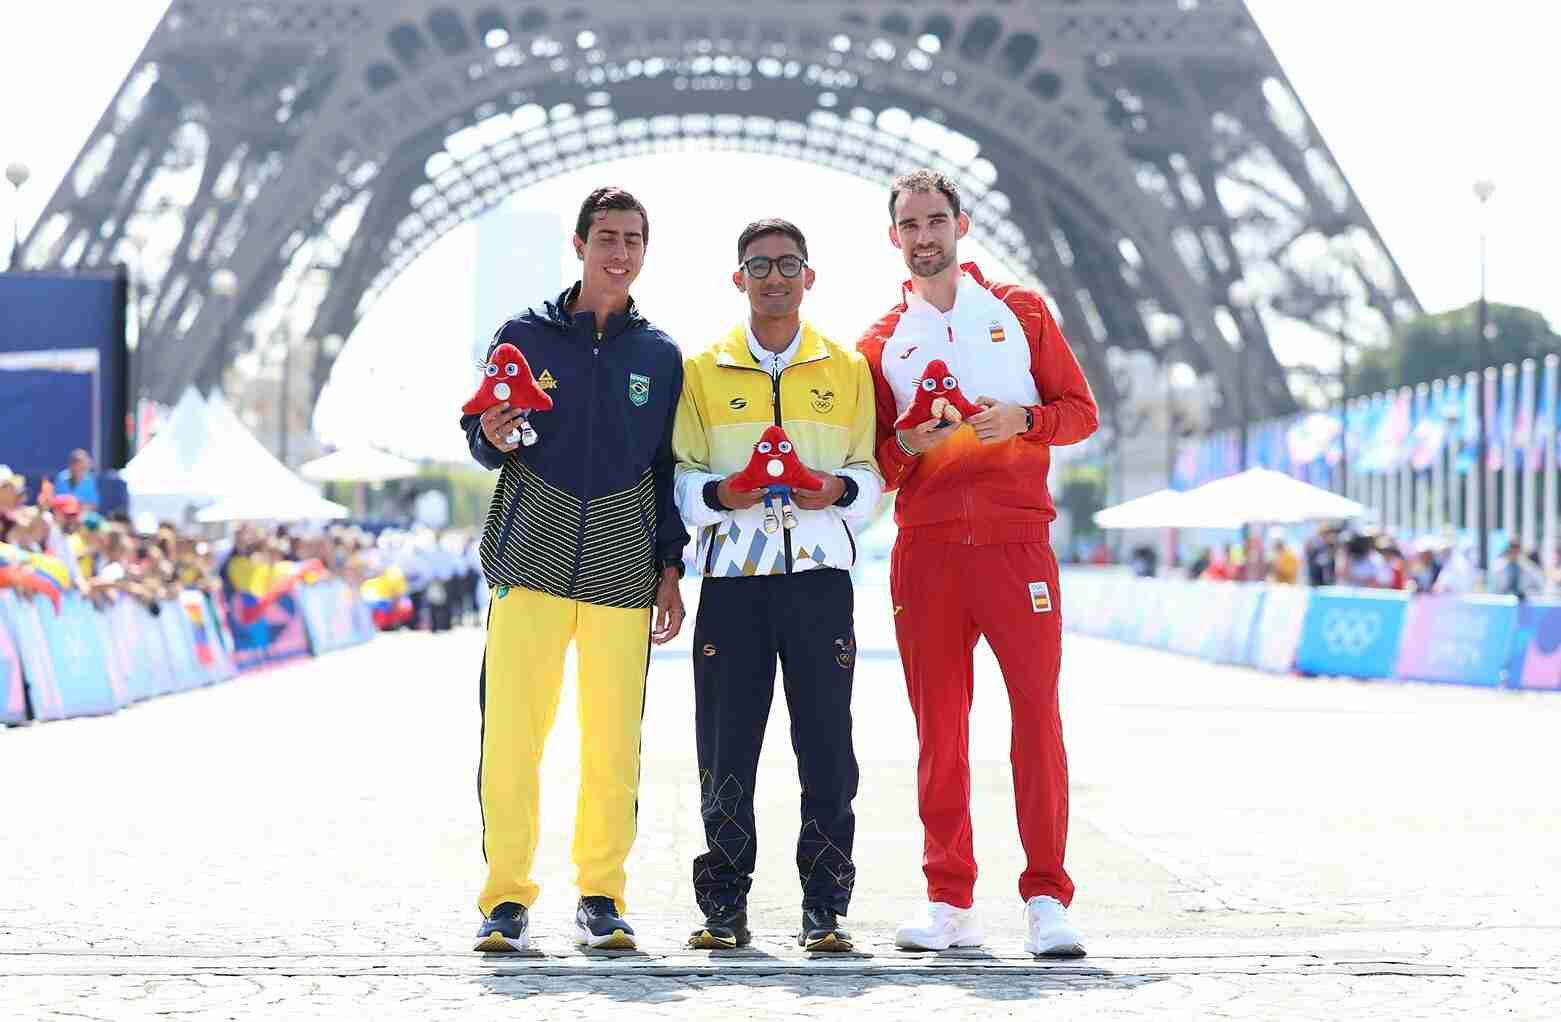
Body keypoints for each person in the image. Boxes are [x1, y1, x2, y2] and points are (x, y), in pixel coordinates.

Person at [857, 169, 1099, 957]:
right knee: (940, 729)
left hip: (1014, 543)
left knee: (1036, 717)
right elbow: (875, 466)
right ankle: (948, 898)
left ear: (961, 226)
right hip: (925, 552)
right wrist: (909, 445)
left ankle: (1045, 897)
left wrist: (1023, 419)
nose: (924, 236)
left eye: (936, 220)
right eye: (910, 224)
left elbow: (1079, 413)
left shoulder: (1023, 312)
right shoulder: (876, 343)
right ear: (893, 238)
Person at [460, 186, 689, 954]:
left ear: (643, 251)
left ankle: (600, 894)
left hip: (622, 570)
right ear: (579, 243)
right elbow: (484, 433)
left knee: (612, 745)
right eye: (606, 238)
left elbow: (666, 467)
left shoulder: (659, 356)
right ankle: (506, 900)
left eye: (632, 239)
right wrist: (490, 434)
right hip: (530, 561)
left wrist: (668, 566)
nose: (618, 253)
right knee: (512, 740)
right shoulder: (522, 334)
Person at [671, 218, 883, 952]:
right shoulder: (699, 371)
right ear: (737, 279)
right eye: (757, 265)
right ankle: (723, 904)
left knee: (827, 745)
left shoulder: (847, 368)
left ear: (808, 275)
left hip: (820, 582)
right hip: (732, 583)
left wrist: (837, 491)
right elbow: (678, 479)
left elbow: (870, 474)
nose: (773, 277)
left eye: (787, 264)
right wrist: (722, 495)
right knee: (725, 746)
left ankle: (824, 906)